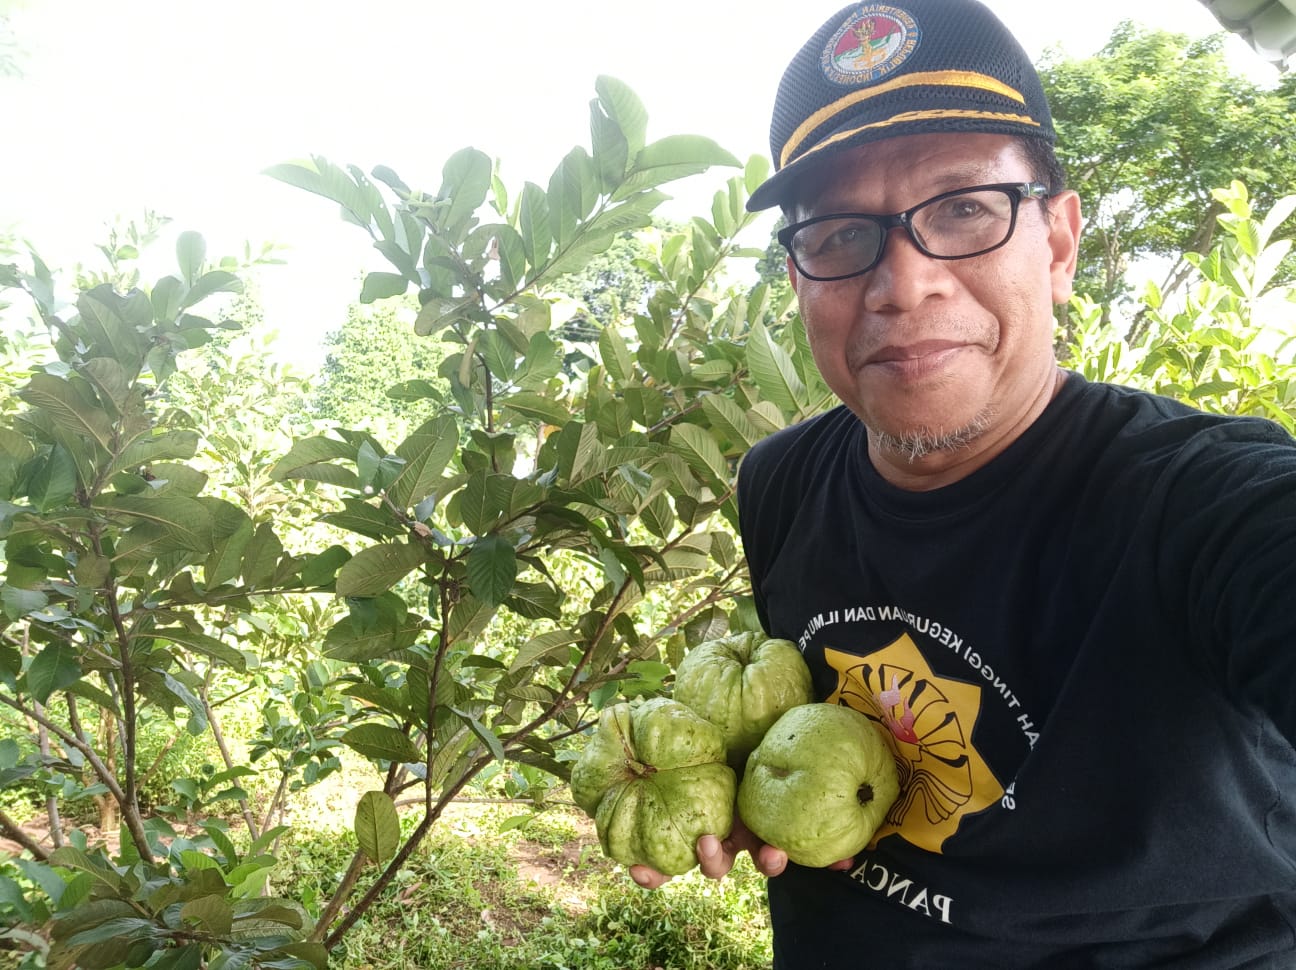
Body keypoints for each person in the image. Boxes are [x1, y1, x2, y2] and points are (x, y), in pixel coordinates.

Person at [630, 1, 1296, 965]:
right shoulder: (779, 483)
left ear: (1060, 242)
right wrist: (730, 782)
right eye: (841, 233)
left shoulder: (1203, 501)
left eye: (964, 210)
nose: (903, 283)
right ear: (799, 277)